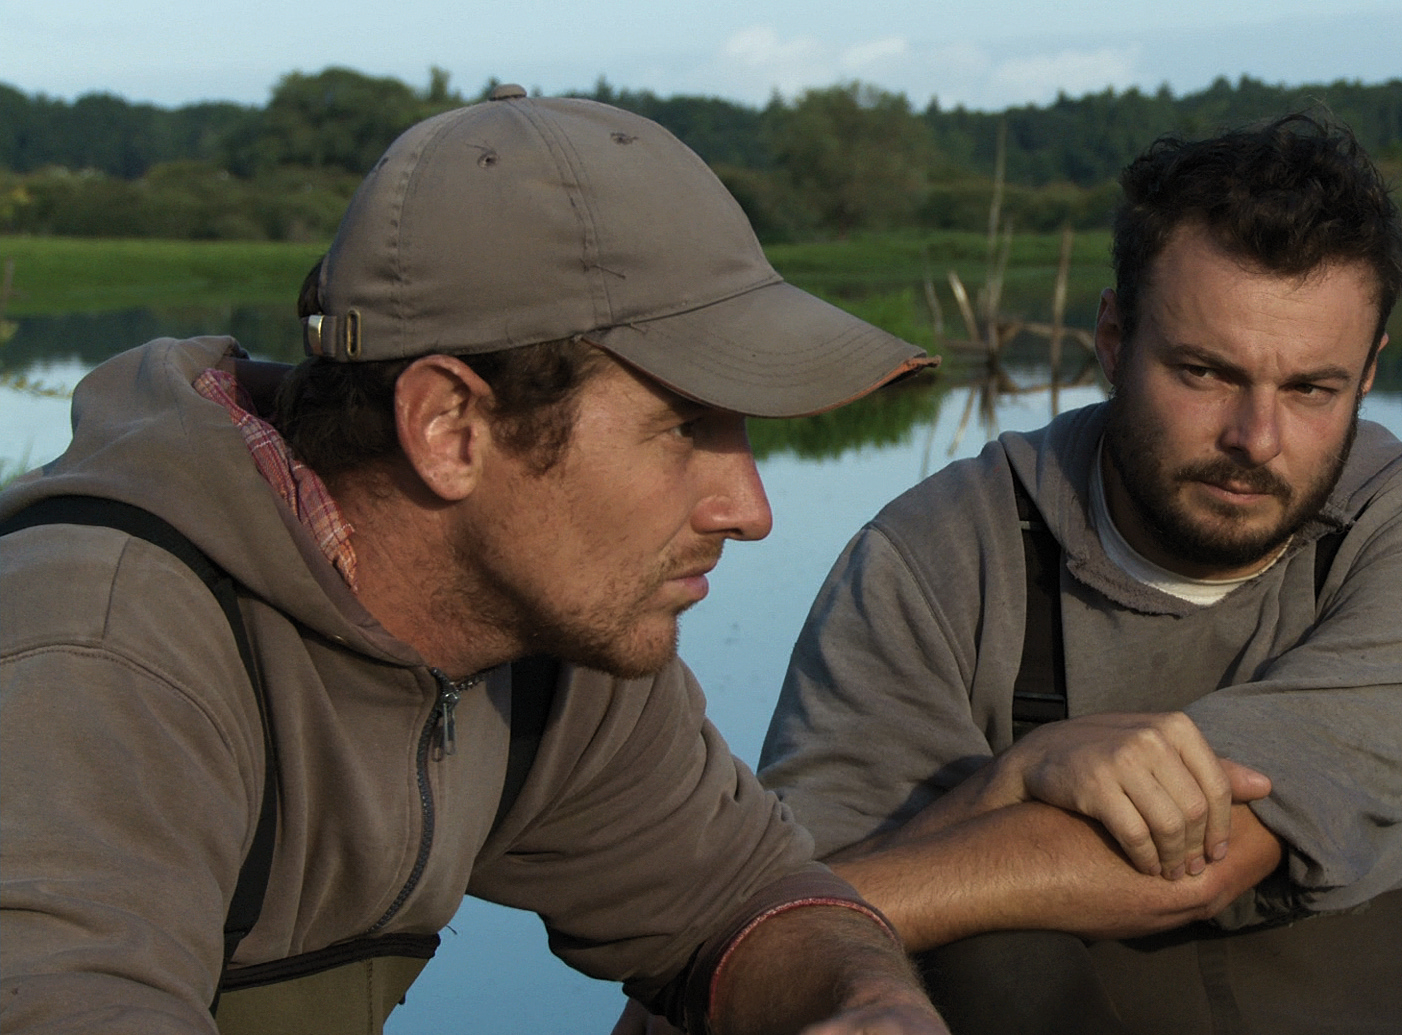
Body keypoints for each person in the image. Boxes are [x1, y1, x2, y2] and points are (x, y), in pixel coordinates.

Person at [0, 87, 948, 1035]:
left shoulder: (549, 634)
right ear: (449, 426)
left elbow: (738, 900)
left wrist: (869, 999)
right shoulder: (102, 648)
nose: (749, 510)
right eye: (683, 427)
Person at [758, 113, 1402, 1034]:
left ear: (1368, 375)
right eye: (1205, 373)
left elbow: (1207, 851)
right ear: (1114, 337)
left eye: (1310, 389)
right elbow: (815, 931)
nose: (1256, 438)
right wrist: (1010, 780)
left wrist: (742, 937)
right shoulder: (933, 554)